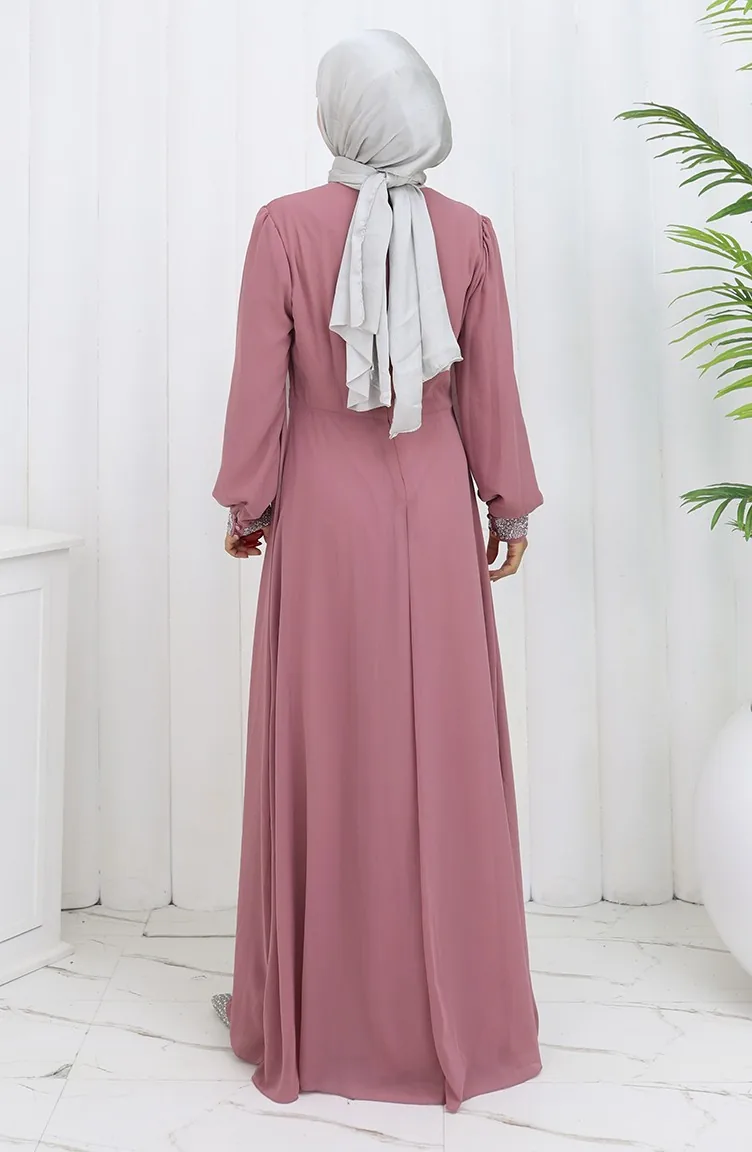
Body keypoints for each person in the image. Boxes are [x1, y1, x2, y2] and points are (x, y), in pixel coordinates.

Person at [211, 28, 543, 1113]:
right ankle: (457, 1016)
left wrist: (249, 499)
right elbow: (488, 389)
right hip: (434, 516)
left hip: (327, 517)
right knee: (441, 747)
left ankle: (316, 1017)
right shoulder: (469, 233)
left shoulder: (285, 227)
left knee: (330, 742)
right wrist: (506, 502)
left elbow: (260, 384)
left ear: (339, 114)